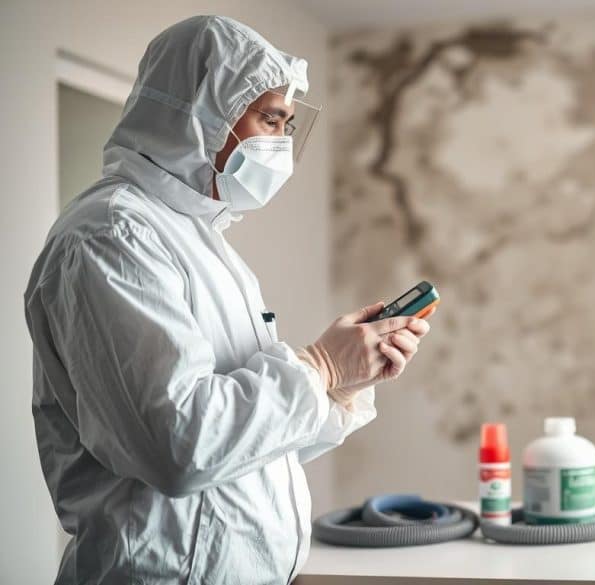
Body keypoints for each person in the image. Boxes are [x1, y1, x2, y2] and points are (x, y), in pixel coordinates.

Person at [23, 15, 429, 584]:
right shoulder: (113, 235)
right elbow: (180, 445)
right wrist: (318, 367)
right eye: (269, 119)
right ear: (199, 114)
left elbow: (243, 454)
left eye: (288, 124)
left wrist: (340, 385)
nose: (282, 143)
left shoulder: (198, 238)